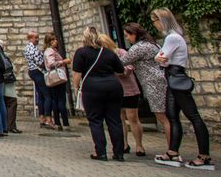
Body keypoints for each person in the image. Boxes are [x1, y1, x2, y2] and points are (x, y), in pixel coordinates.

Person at [151, 8, 214, 170]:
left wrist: (159, 58)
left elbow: (161, 59)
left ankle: (204, 156)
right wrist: (160, 59)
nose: (155, 25)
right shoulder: (174, 37)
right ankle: (172, 152)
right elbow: (162, 59)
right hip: (172, 78)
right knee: (172, 115)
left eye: (155, 21)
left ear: (162, 21)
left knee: (193, 116)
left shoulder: (172, 38)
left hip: (176, 77)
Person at [71, 26, 126, 161]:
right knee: (114, 120)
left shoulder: (81, 53)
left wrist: (76, 88)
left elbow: (77, 74)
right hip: (113, 86)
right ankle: (119, 153)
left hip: (92, 87)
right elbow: (121, 70)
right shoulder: (108, 53)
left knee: (95, 120)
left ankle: (100, 152)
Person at [121, 22, 169, 145]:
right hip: (161, 79)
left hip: (153, 83)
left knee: (163, 117)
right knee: (167, 116)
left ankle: (172, 151)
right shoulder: (153, 44)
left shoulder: (138, 48)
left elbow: (122, 62)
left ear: (134, 34)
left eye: (127, 35)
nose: (127, 38)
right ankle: (172, 149)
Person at [112, 36, 145, 157]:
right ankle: (124, 144)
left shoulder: (121, 52)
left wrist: (114, 70)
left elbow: (128, 69)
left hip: (129, 90)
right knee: (119, 119)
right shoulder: (105, 56)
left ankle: (139, 145)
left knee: (133, 118)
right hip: (115, 90)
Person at [23, 30, 52, 129]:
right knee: (47, 95)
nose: (37, 40)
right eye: (36, 38)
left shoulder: (27, 48)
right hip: (38, 72)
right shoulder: (33, 49)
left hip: (32, 71)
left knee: (40, 95)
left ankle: (41, 118)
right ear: (30, 38)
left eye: (38, 37)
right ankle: (48, 119)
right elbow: (40, 62)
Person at [42, 32, 71, 130]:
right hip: (57, 77)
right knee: (61, 100)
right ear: (49, 42)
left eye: (55, 39)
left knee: (55, 100)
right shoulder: (50, 51)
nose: (56, 41)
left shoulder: (50, 50)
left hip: (53, 78)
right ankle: (65, 123)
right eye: (53, 40)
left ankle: (58, 123)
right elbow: (51, 64)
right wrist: (63, 62)